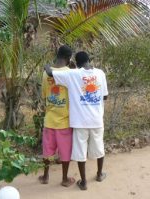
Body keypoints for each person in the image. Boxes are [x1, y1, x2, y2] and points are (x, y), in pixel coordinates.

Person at [45, 51, 108, 190]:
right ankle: (99, 174)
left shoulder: (73, 74)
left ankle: (84, 182)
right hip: (97, 119)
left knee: (80, 151)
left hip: (80, 121)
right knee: (99, 147)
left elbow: (50, 73)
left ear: (77, 63)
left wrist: (46, 65)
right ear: (89, 60)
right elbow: (105, 97)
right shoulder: (100, 73)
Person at [39, 45, 75, 187]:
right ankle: (64, 179)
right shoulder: (70, 73)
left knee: (47, 150)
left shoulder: (45, 73)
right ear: (68, 59)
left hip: (49, 119)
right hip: (65, 120)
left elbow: (43, 95)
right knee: (65, 151)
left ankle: (46, 176)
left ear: (57, 55)